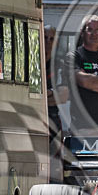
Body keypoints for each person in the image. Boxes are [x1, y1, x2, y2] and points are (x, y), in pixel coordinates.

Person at [44, 25, 68, 181]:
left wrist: (47, 94)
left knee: (55, 160)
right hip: (34, 116)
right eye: (45, 37)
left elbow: (63, 96)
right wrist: (51, 93)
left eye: (52, 39)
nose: (48, 42)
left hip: (52, 117)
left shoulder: (59, 65)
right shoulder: (31, 59)